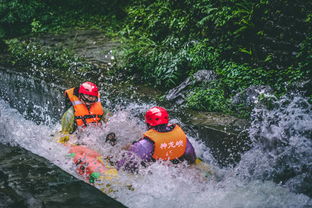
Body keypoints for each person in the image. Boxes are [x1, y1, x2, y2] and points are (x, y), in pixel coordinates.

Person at [118, 106, 196, 172]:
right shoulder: (181, 136)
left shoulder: (146, 144)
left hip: (156, 173)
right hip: (178, 169)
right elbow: (191, 156)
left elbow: (127, 165)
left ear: (148, 124)